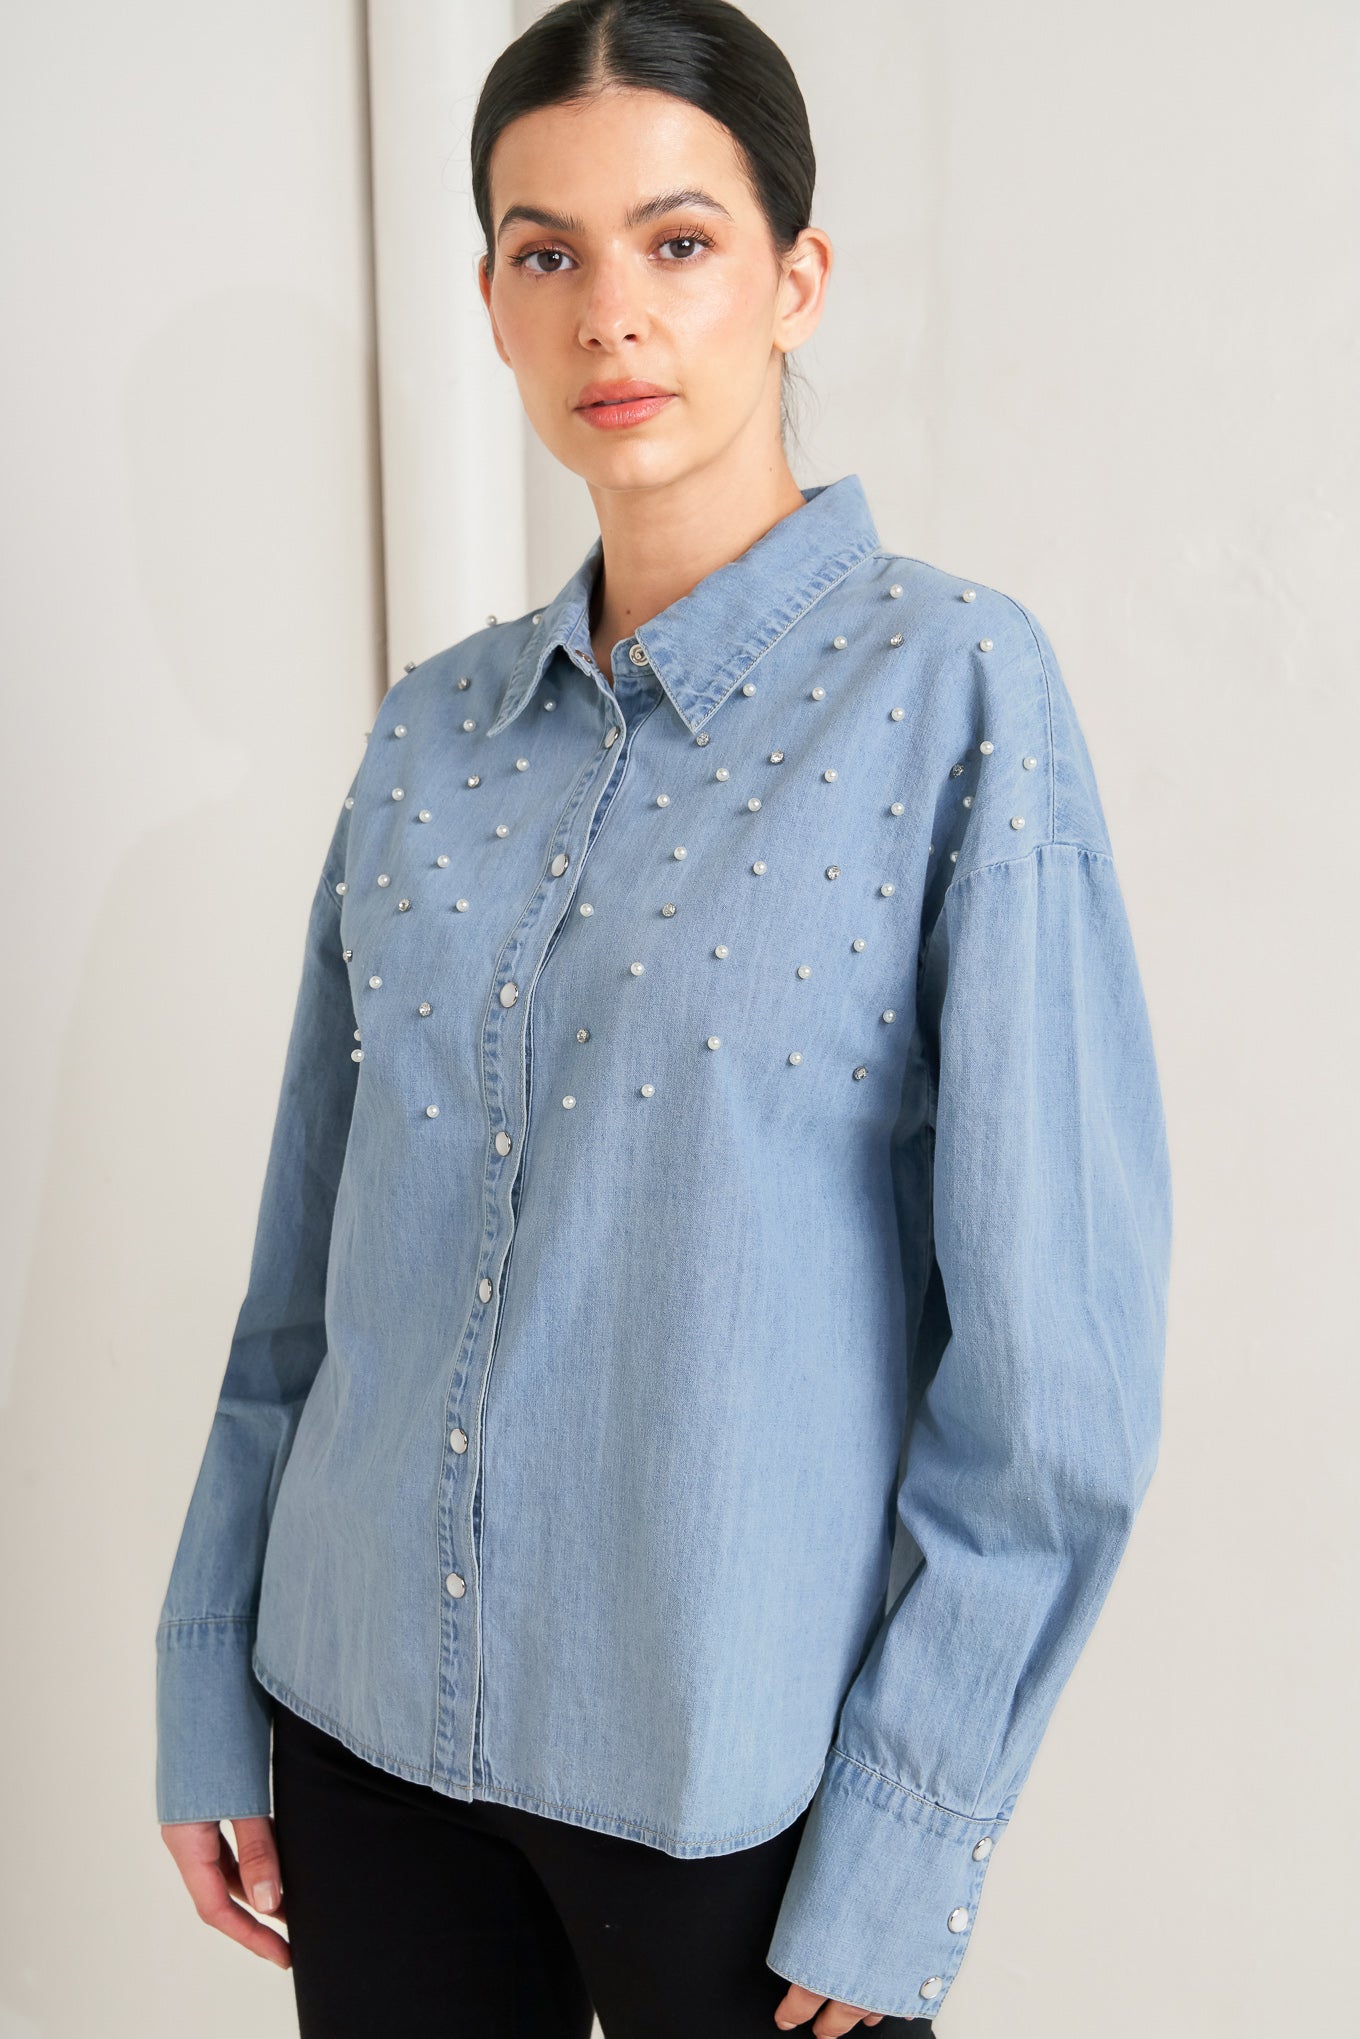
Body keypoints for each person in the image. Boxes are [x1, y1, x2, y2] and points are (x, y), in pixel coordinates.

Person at [154, 3, 1173, 2034]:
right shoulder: (433, 732)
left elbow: (1049, 1370)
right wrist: (208, 1683)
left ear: (793, 278)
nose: (611, 312)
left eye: (677, 241)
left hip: (737, 1804)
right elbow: (305, 1279)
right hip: (360, 1739)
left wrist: (907, 1834)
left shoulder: (955, 697)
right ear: (493, 302)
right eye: (549, 253)